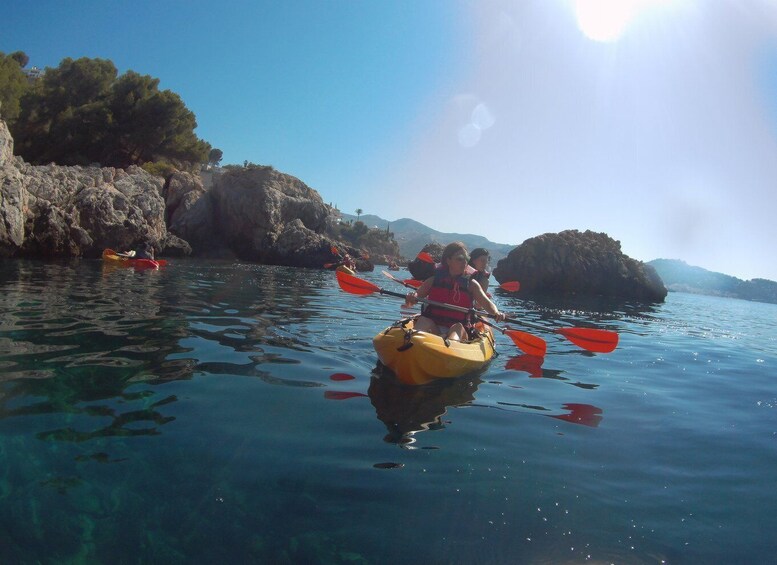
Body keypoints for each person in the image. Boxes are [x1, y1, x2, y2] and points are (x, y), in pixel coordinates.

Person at [404, 242, 505, 342]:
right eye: (460, 259)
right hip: (435, 328)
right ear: (448, 260)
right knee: (423, 320)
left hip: (458, 330)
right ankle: (413, 342)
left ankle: (449, 345)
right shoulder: (434, 280)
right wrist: (412, 296)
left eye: (466, 259)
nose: (464, 262)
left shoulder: (471, 284)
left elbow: (486, 303)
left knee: (457, 327)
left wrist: (496, 312)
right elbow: (416, 296)